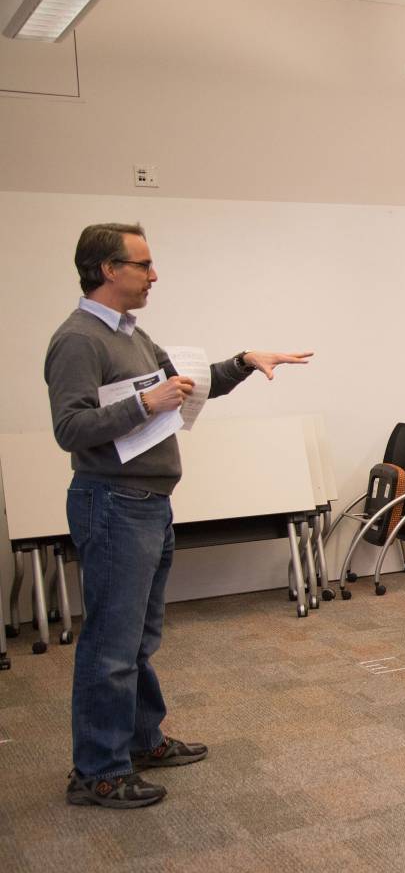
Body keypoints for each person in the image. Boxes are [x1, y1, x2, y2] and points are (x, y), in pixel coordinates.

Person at [45, 223, 311, 809]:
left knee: (138, 639)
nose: (154, 275)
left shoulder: (134, 337)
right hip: (112, 504)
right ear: (108, 270)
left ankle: (140, 740)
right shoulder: (78, 340)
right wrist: (145, 402)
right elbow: (71, 428)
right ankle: (97, 772)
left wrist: (244, 361)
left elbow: (189, 388)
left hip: (147, 506)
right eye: (142, 265)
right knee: (110, 645)